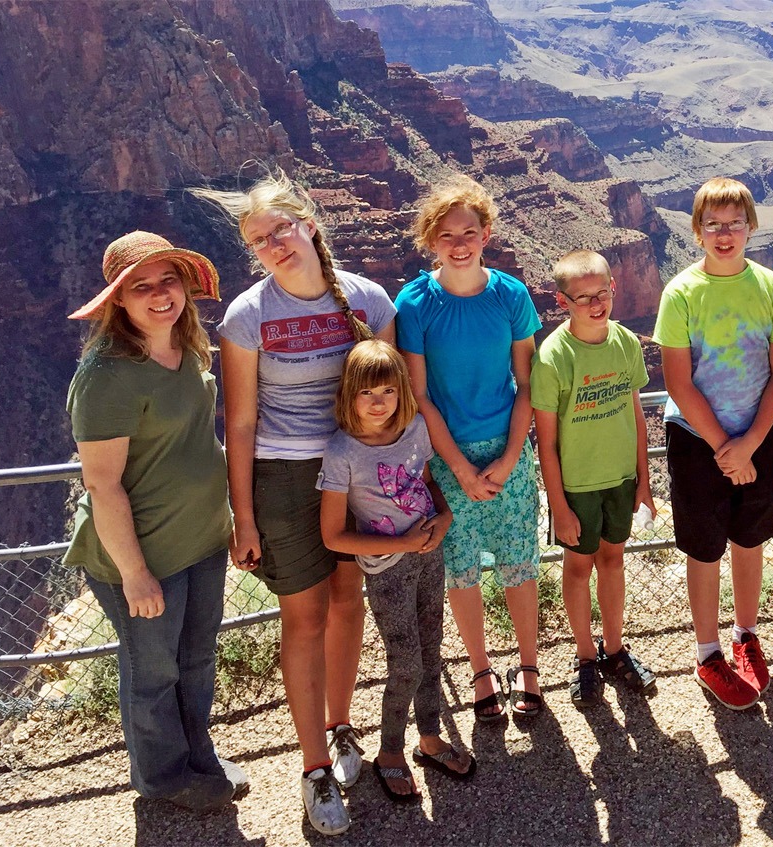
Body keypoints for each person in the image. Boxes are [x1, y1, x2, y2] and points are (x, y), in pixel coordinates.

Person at [197, 173, 395, 836]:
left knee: (348, 603)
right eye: (260, 241)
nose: (274, 245)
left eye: (280, 229)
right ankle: (314, 766)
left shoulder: (368, 299)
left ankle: (342, 726)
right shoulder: (248, 316)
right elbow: (243, 423)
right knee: (305, 617)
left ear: (308, 223)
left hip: (356, 473)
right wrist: (243, 515)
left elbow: (389, 404)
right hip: (283, 480)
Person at [64, 231, 245, 812]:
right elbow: (102, 482)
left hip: (203, 541)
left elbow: (202, 443)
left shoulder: (188, 347)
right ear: (119, 299)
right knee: (153, 673)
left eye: (167, 279)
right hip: (143, 559)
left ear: (185, 284)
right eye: (140, 286)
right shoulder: (108, 373)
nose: (159, 294)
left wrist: (234, 520)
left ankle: (199, 758)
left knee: (196, 661)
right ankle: (164, 780)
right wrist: (135, 573)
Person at [397, 175, 545, 719]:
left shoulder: (511, 295)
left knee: (519, 564)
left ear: (487, 233)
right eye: (446, 233)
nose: (459, 243)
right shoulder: (414, 302)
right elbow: (417, 396)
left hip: (508, 450)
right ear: (430, 240)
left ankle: (528, 666)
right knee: (460, 569)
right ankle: (481, 669)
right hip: (444, 456)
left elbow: (526, 384)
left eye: (469, 231)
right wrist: (457, 468)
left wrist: (507, 460)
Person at [655, 177, 773, 710]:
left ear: (751, 227)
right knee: (704, 546)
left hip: (758, 432)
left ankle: (745, 636)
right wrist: (724, 448)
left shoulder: (770, 287)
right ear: (696, 231)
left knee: (749, 538)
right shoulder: (681, 293)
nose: (724, 233)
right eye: (712, 224)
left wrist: (750, 443)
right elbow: (678, 382)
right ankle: (707, 651)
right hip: (697, 439)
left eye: (735, 222)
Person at [317, 340, 471, 801]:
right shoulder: (341, 451)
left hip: (429, 556)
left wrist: (443, 516)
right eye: (367, 393)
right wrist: (402, 542)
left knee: (431, 650)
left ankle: (428, 739)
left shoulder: (416, 429)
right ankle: (388, 752)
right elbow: (333, 536)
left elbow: (424, 481)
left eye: (387, 390)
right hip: (387, 569)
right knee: (405, 662)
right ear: (349, 395)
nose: (379, 401)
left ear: (402, 391)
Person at [532, 250, 658, 705]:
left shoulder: (625, 342)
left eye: (601, 293)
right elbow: (545, 442)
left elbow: (637, 416)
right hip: (577, 487)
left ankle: (614, 647)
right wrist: (559, 506)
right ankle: (585, 655)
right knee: (577, 567)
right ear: (562, 301)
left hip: (621, 479)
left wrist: (644, 482)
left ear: (614, 289)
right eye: (582, 297)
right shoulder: (553, 357)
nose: (594, 304)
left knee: (614, 562)